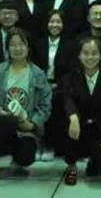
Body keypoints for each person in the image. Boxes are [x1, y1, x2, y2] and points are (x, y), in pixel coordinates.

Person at [0, 29, 52, 192]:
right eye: (12, 45)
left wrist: (32, 124)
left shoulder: (38, 74)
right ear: (7, 48)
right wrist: (0, 112)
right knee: (8, 121)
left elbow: (45, 106)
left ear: (28, 47)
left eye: (21, 44)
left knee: (27, 156)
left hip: (25, 129)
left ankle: (16, 163)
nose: (17, 48)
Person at [59, 37, 101, 185]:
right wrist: (73, 117)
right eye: (85, 53)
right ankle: (71, 165)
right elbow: (67, 100)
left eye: (94, 53)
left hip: (100, 130)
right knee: (67, 121)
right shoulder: (70, 77)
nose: (90, 57)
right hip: (78, 128)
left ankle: (94, 161)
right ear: (79, 56)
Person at [33, 10, 78, 160]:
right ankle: (36, 144)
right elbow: (33, 66)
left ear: (63, 24)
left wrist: (57, 84)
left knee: (55, 101)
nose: (55, 25)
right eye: (51, 21)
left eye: (58, 22)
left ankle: (51, 145)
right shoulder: (38, 43)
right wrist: (43, 84)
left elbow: (72, 71)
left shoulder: (71, 44)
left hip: (62, 86)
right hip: (39, 85)